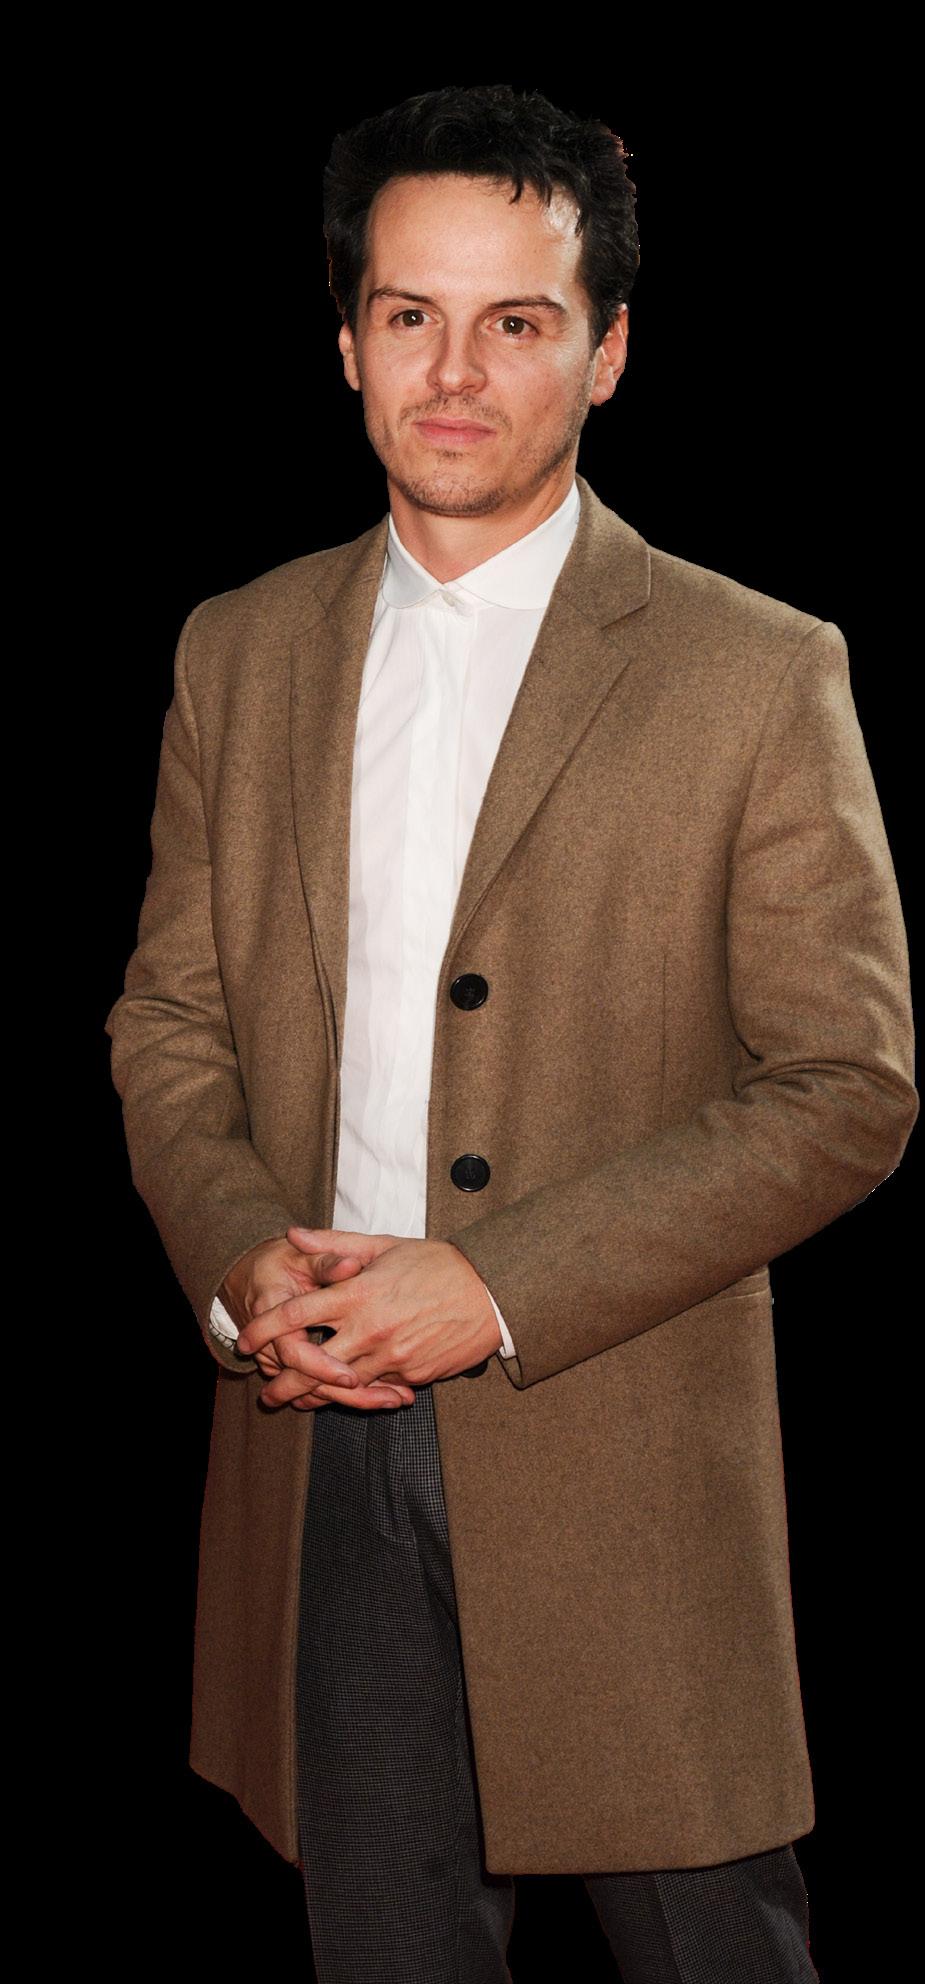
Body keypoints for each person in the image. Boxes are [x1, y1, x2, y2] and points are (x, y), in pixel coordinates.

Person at [105, 83, 917, 1984]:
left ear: (608, 351)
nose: (453, 373)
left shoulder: (755, 669)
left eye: (516, 321)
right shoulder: (237, 647)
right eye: (410, 314)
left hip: (618, 1447)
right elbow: (170, 1016)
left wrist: (494, 1284)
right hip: (316, 1443)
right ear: (346, 340)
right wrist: (242, 1261)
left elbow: (845, 1085)